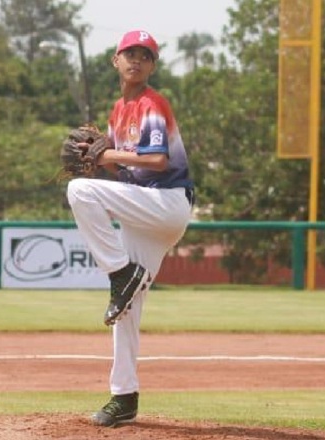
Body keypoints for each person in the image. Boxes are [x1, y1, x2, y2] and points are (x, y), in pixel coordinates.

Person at [66, 30, 194, 427]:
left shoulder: (153, 104)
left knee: (79, 191)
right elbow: (128, 174)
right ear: (115, 61)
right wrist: (104, 161)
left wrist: (106, 154)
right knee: (126, 306)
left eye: (145, 55)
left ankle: (121, 271)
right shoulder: (117, 111)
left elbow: (155, 160)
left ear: (152, 66)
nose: (136, 60)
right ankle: (124, 396)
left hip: (168, 202)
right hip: (145, 207)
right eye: (129, 53)